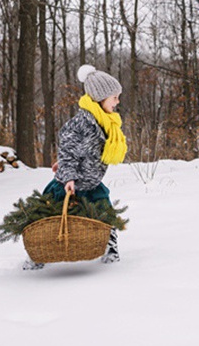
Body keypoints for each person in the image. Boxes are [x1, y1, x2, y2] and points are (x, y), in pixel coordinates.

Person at [23, 65, 128, 270]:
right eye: (114, 97)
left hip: (91, 182)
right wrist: (67, 173)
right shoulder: (82, 123)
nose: (117, 102)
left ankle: (110, 248)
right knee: (49, 216)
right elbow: (68, 149)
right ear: (100, 98)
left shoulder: (105, 122)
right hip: (68, 183)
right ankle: (37, 254)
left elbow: (82, 153)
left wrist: (64, 162)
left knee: (104, 211)